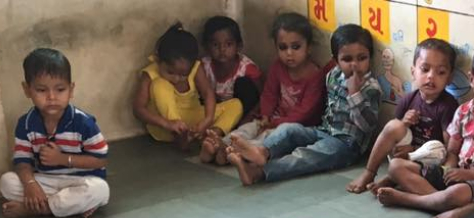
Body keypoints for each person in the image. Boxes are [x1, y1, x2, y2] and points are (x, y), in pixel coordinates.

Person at [373, 42, 474, 218]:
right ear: (471, 79)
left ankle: (410, 199)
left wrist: (468, 175)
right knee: (396, 166)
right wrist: (448, 168)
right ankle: (442, 203)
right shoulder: (463, 111)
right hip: (458, 175)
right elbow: (453, 150)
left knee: (457, 193)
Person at [228, 24, 381, 185]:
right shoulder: (333, 75)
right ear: (336, 61)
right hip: (324, 130)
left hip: (347, 145)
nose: (354, 65)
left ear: (370, 57)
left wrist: (355, 94)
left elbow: (368, 126)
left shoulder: (371, 88)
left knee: (306, 155)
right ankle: (262, 151)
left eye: (361, 58)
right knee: (289, 129)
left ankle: (259, 172)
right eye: (347, 59)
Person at [203, 12, 329, 166]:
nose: (289, 53)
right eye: (283, 47)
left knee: (271, 136)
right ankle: (221, 145)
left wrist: (274, 122)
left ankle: (239, 152)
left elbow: (304, 112)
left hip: (296, 126)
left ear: (308, 47)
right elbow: (269, 94)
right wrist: (265, 116)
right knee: (249, 128)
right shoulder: (278, 67)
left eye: (296, 47)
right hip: (273, 119)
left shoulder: (314, 75)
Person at [0, 48, 109, 218]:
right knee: (7, 182)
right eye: (41, 90)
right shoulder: (26, 124)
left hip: (80, 180)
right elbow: (22, 162)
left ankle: (37, 209)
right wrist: (30, 185)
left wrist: (63, 159)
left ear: (71, 90)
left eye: (60, 89)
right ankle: (66, 205)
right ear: (27, 90)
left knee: (99, 190)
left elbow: (100, 159)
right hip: (46, 180)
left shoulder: (83, 122)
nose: (51, 97)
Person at [347, 38, 458, 194]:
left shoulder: (448, 106)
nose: (431, 76)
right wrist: (405, 123)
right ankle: (369, 172)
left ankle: (396, 181)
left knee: (399, 167)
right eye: (425, 69)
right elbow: (393, 134)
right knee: (394, 126)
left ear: (449, 78)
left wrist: (414, 151)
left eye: (440, 72)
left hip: (429, 161)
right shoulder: (409, 99)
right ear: (413, 72)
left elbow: (447, 149)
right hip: (404, 156)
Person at [132, 23, 243, 149]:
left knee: (236, 105)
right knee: (160, 84)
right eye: (170, 72)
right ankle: (179, 134)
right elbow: (138, 109)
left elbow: (207, 93)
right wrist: (167, 124)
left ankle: (212, 135)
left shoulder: (196, 68)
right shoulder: (151, 73)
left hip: (191, 122)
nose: (176, 79)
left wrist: (207, 119)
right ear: (158, 60)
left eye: (184, 75)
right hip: (164, 127)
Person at [197, 16, 262, 163]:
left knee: (245, 85)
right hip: (216, 113)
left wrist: (246, 121)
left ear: (238, 46)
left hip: (241, 114)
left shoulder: (247, 68)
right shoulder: (204, 66)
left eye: (228, 44)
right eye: (215, 44)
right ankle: (212, 137)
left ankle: (221, 142)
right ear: (207, 46)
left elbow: (261, 96)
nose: (222, 50)